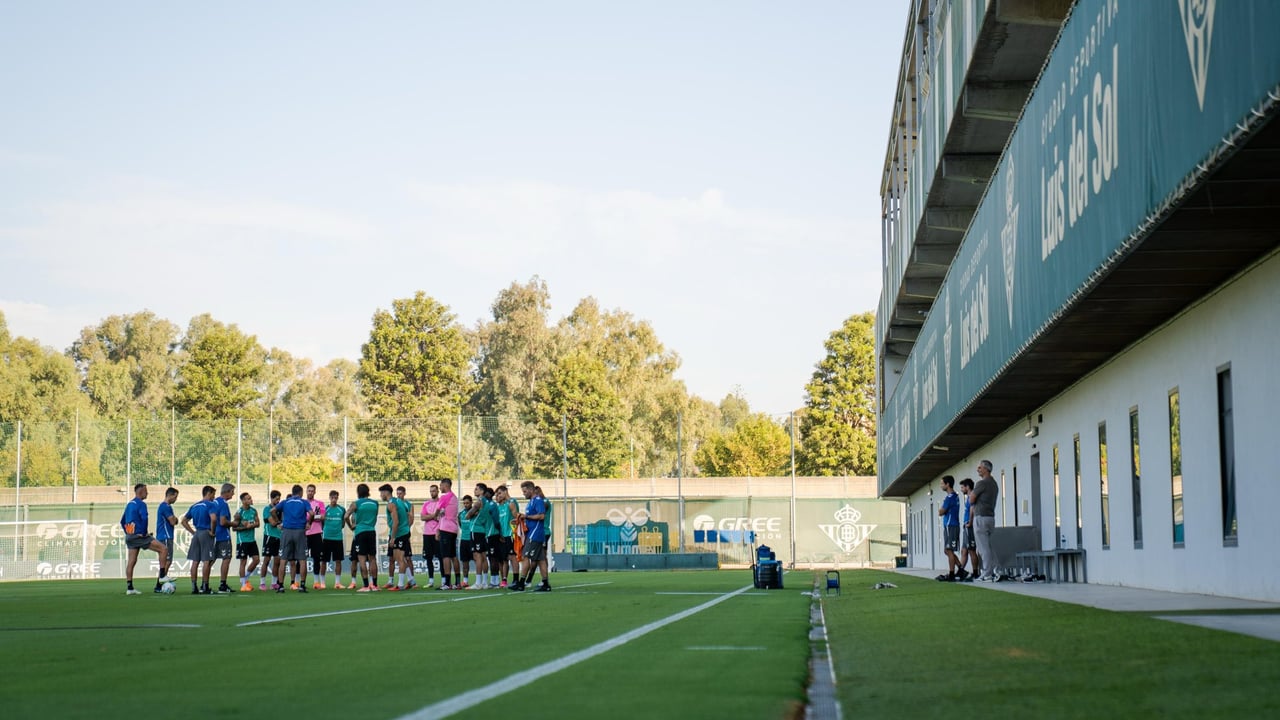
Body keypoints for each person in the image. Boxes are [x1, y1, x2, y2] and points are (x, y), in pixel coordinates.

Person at [119, 483, 176, 595]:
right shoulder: (141, 504)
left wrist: (128, 533)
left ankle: (130, 588)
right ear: (140, 492)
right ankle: (162, 575)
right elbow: (144, 519)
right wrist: (144, 533)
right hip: (139, 536)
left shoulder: (129, 504)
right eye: (146, 491)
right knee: (163, 549)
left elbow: (122, 521)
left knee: (131, 561)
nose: (147, 493)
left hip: (130, 536)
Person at [273, 484, 313, 593]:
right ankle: (302, 585)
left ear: (292, 492)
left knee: (283, 559)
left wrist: (278, 522)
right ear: (301, 493)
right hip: (300, 531)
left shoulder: (285, 502)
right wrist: (309, 523)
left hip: (287, 531)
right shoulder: (303, 502)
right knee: (302, 559)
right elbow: (312, 513)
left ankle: (281, 586)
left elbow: (272, 511)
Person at [512, 480, 550, 592]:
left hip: (535, 534)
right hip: (533, 533)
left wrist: (526, 517)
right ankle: (545, 584)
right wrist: (520, 520)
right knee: (541, 559)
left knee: (525, 556)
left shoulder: (537, 500)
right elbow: (530, 518)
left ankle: (521, 583)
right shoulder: (531, 502)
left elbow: (541, 516)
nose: (523, 493)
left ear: (530, 490)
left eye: (524, 491)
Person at [180, 485, 218, 594]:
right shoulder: (210, 505)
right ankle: (205, 586)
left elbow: (183, 521)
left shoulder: (194, 506)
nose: (214, 497)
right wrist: (212, 532)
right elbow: (213, 519)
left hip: (197, 533)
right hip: (206, 533)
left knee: (195, 561)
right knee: (207, 560)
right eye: (213, 494)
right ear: (209, 493)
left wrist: (193, 532)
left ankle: (194, 587)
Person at [425, 478, 460, 590]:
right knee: (453, 556)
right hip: (453, 529)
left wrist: (436, 516)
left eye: (440, 486)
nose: (440, 488)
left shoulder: (445, 497)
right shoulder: (454, 497)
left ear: (445, 485)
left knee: (445, 556)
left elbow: (437, 511)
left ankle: (447, 583)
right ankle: (458, 582)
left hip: (446, 529)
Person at [346, 483, 380, 592]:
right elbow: (375, 517)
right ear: (368, 491)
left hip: (360, 532)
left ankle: (365, 586)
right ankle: (374, 585)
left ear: (358, 492)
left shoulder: (356, 503)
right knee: (373, 559)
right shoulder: (375, 503)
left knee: (362, 559)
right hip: (371, 531)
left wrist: (351, 526)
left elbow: (346, 516)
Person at [971, 460, 1000, 581]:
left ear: (986, 469)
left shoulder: (982, 483)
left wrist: (972, 496)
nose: (978, 469)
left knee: (983, 548)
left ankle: (987, 573)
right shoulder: (994, 484)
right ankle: (996, 570)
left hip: (981, 517)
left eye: (980, 467)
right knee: (989, 546)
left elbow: (971, 499)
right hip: (990, 517)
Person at [232, 491, 261, 592]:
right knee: (243, 562)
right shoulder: (239, 513)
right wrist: (245, 527)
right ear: (243, 501)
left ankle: (245, 578)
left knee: (256, 560)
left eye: (250, 498)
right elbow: (234, 528)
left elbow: (258, 523)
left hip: (251, 540)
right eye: (248, 499)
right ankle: (243, 584)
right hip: (242, 541)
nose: (251, 500)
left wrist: (250, 525)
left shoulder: (253, 510)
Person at [467, 484, 493, 590]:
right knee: (483, 556)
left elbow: (467, 515)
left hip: (476, 529)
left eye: (476, 489)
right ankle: (484, 582)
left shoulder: (479, 501)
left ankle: (478, 582)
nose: (475, 490)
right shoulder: (487, 502)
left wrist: (472, 513)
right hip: (483, 530)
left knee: (477, 556)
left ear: (482, 491)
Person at [154, 487, 180, 592]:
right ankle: (159, 584)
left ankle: (159, 583)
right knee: (167, 561)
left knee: (167, 561)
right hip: (165, 536)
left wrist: (175, 519)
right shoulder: (165, 507)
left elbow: (174, 520)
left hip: (165, 536)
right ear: (170, 495)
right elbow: (173, 521)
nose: (176, 499)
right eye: (175, 497)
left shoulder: (165, 506)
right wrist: (175, 519)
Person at [212, 483, 237, 593]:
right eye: (232, 491)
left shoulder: (215, 502)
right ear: (227, 492)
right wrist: (233, 523)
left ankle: (204, 584)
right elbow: (223, 522)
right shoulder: (223, 503)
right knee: (226, 558)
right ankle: (223, 585)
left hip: (213, 534)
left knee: (211, 559)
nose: (233, 494)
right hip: (223, 535)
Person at [320, 490, 347, 588]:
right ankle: (322, 583)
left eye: (335, 498)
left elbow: (343, 524)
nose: (334, 500)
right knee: (324, 561)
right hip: (327, 538)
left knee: (338, 561)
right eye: (332, 498)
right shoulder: (325, 509)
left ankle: (337, 583)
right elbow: (322, 523)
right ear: (329, 498)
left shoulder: (342, 510)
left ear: (337, 498)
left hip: (338, 538)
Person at [936, 476, 960, 581]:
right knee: (947, 550)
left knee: (949, 550)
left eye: (942, 483)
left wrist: (941, 510)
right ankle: (961, 569)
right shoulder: (954, 496)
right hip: (949, 526)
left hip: (951, 525)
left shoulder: (950, 497)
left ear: (948, 484)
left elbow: (941, 511)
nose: (941, 486)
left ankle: (952, 574)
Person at [494, 485, 519, 588]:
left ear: (505, 491)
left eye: (500, 493)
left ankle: (516, 580)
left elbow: (516, 517)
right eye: (497, 495)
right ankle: (504, 580)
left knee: (512, 557)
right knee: (504, 559)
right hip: (502, 536)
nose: (498, 496)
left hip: (510, 534)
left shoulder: (511, 502)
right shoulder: (500, 506)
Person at [420, 483, 442, 588]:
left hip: (438, 533)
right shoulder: (426, 504)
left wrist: (430, 516)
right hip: (427, 534)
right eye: (431, 491)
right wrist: (434, 516)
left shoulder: (441, 503)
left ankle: (444, 580)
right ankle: (431, 580)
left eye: (434, 491)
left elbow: (442, 517)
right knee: (428, 558)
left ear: (438, 491)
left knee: (441, 557)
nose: (432, 493)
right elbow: (422, 517)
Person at [395, 485, 417, 589]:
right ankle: (410, 580)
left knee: (407, 557)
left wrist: (405, 529)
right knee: (398, 557)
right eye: (397, 493)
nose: (398, 495)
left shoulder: (409, 504)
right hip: (397, 533)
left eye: (400, 493)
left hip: (404, 533)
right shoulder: (395, 503)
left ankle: (411, 581)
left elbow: (411, 519)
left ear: (404, 493)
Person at [958, 478, 979, 582]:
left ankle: (975, 573)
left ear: (967, 487)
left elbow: (972, 509)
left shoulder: (971, 496)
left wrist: (970, 522)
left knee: (971, 550)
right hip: (966, 526)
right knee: (964, 551)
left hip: (969, 526)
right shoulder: (968, 497)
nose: (961, 489)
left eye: (962, 487)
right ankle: (961, 571)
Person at [261, 489, 283, 591]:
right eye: (276, 499)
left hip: (278, 537)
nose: (278, 501)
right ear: (272, 498)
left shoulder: (280, 509)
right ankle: (262, 583)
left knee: (277, 560)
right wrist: (280, 522)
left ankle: (274, 583)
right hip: (269, 536)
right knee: (266, 560)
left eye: (279, 499)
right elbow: (273, 523)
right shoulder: (267, 509)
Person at [305, 484, 326, 589]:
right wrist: (313, 517)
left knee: (316, 558)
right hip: (305, 534)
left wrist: (311, 516)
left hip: (317, 533)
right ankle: (297, 582)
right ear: (306, 491)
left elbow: (323, 517)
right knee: (301, 558)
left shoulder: (319, 503)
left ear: (315, 492)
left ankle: (316, 582)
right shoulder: (303, 503)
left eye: (312, 491)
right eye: (309, 490)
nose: (310, 492)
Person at [457, 495, 475, 588]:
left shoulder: (475, 513)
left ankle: (480, 580)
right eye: (464, 503)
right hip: (464, 540)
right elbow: (460, 525)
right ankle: (465, 581)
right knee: (465, 562)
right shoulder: (460, 514)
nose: (465, 505)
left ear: (471, 502)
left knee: (477, 560)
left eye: (467, 503)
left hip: (473, 539)